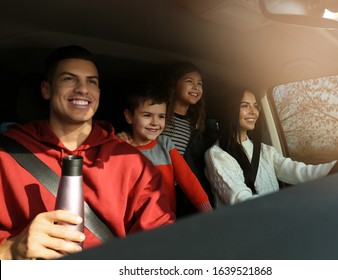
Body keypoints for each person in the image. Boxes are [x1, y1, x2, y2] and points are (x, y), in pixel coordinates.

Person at [0, 45, 175, 260]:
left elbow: (160, 247)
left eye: (91, 81)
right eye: (69, 79)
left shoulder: (131, 163)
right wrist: (10, 250)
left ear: (98, 94)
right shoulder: (6, 155)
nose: (83, 89)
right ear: (46, 89)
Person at [205, 88, 338, 207]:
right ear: (231, 110)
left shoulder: (265, 150)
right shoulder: (217, 155)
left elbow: (301, 172)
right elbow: (242, 201)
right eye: (245, 106)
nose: (253, 112)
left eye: (256, 106)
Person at [116, 84, 213, 214]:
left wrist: (207, 210)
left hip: (166, 220)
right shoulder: (122, 147)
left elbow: (188, 179)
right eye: (147, 115)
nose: (155, 122)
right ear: (129, 116)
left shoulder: (165, 144)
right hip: (134, 224)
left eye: (161, 116)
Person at [161, 62, 217, 217]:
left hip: (183, 191)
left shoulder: (196, 124)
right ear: (174, 85)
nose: (196, 87)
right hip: (159, 186)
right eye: (189, 81)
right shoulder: (160, 118)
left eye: (200, 83)